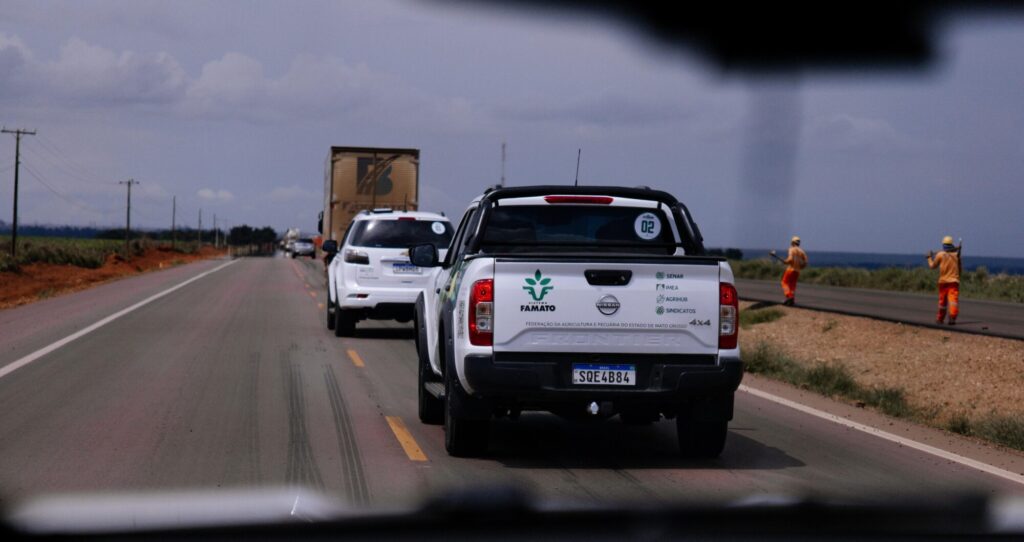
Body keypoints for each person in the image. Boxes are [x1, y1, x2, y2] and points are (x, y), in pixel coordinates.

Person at [927, 235, 961, 325]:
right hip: (954, 282)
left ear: (943, 244)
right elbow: (960, 267)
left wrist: (929, 258)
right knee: (953, 301)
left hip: (943, 282)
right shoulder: (956, 255)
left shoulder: (940, 255)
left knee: (942, 302)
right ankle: (952, 318)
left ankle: (940, 319)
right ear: (952, 244)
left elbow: (932, 266)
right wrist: (959, 277)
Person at [771, 236, 808, 306]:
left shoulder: (791, 249)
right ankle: (792, 299)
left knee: (784, 282)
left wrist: (786, 261)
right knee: (792, 285)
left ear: (792, 242)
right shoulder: (802, 251)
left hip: (790, 270)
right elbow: (806, 262)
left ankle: (789, 296)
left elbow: (790, 259)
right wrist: (801, 267)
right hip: (797, 271)